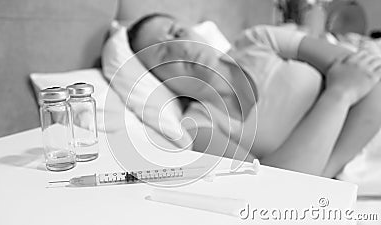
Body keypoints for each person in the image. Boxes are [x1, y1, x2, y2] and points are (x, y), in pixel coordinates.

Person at [127, 13, 381, 178]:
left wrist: (324, 169)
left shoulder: (259, 40)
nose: (180, 48)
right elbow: (274, 185)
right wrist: (341, 93)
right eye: (161, 55)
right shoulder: (202, 127)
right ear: (158, 78)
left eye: (177, 32)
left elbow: (370, 75)